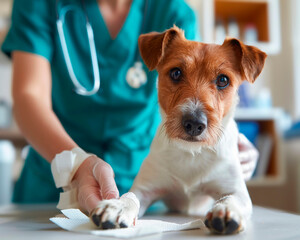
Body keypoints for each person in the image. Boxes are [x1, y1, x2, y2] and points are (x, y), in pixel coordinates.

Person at [1, 0, 258, 214]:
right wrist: (76, 164)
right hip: (53, 177)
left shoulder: (173, 11)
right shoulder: (39, 3)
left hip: (145, 183)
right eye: (176, 74)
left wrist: (231, 143)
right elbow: (28, 96)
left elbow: (202, 85)